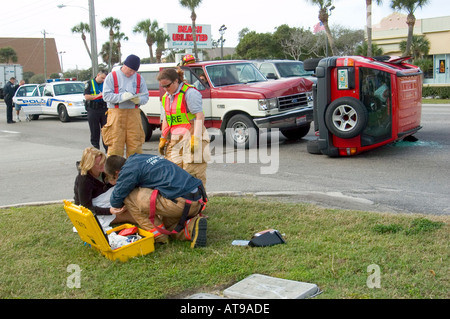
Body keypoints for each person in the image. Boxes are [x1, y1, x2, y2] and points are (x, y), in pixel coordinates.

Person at [105, 153, 208, 248]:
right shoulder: (139, 158)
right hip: (197, 200)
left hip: (180, 203)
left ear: (117, 172)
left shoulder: (128, 170)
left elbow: (116, 200)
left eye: (114, 178)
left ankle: (159, 237)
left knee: (129, 197)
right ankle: (193, 227)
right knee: (169, 226)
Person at [157, 67, 210, 186]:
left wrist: (195, 139)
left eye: (167, 85)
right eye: (163, 86)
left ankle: (197, 202)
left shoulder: (190, 93)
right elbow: (167, 118)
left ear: (176, 81)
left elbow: (199, 116)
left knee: (193, 171)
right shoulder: (167, 96)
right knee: (173, 170)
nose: (165, 89)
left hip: (192, 133)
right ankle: (181, 202)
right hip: (176, 137)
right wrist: (163, 138)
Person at [73, 147, 136, 230]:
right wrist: (109, 211)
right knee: (130, 215)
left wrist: (113, 182)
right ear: (90, 165)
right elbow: (86, 207)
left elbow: (106, 187)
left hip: (106, 201)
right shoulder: (84, 180)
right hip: (94, 208)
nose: (103, 165)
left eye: (103, 162)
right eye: (99, 164)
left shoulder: (103, 171)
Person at [102, 54, 149, 157]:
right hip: (116, 115)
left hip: (134, 115)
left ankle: (135, 171)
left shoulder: (139, 78)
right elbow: (106, 96)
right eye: (130, 70)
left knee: (135, 146)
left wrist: (138, 100)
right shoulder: (112, 76)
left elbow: (145, 97)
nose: (131, 73)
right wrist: (121, 97)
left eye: (134, 71)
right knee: (115, 146)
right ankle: (113, 173)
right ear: (124, 65)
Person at [84, 70, 109, 152]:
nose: (103, 80)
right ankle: (95, 150)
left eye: (105, 79)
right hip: (93, 109)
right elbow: (87, 96)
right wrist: (96, 96)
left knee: (106, 130)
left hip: (104, 109)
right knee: (95, 131)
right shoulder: (89, 83)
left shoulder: (106, 83)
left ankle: (107, 149)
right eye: (102, 78)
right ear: (98, 75)